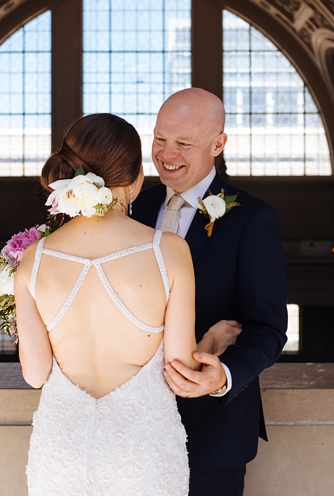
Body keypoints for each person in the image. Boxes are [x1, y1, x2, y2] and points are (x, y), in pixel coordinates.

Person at [14, 113, 238, 495]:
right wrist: (215, 341)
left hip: (62, 453)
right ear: (136, 180)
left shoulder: (34, 259)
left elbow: (35, 375)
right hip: (141, 453)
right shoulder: (167, 251)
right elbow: (180, 368)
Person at [131, 87, 289, 496]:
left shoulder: (253, 218)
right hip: (130, 430)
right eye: (160, 138)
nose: (167, 153)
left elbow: (267, 329)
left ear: (218, 144)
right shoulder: (132, 209)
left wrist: (223, 376)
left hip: (211, 435)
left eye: (184, 143)